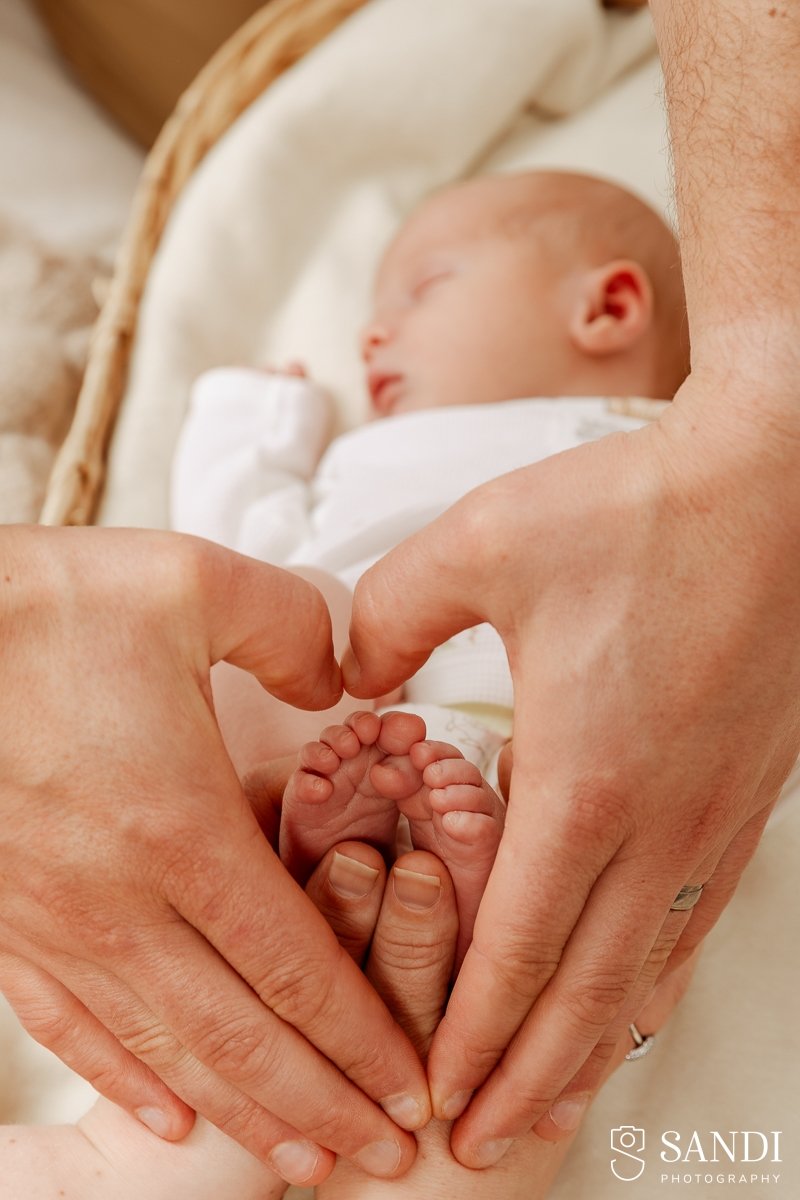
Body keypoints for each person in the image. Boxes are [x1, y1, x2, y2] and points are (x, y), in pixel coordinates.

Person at [1, 0, 797, 1180]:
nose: (371, 336)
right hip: (340, 731)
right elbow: (224, 559)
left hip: (575, 756)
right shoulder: (350, 467)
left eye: (423, 287)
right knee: (280, 638)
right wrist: (252, 417)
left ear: (607, 307)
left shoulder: (655, 448)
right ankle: (123, 1153)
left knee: (522, 1026)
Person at [0, 707, 697, 1199]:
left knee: (264, 670)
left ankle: (279, 877)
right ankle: (455, 989)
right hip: (535, 709)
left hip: (377, 661)